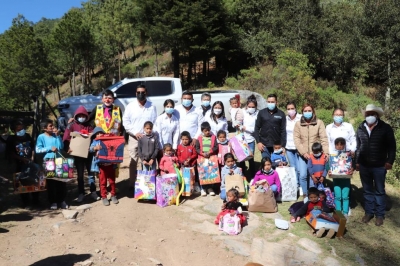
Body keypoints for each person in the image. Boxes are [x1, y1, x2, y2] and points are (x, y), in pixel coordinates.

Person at [356, 104, 396, 226]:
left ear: (377, 115)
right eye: (368, 114)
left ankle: (379, 215)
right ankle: (369, 212)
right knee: (367, 191)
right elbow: (358, 147)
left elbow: (392, 147)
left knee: (379, 190)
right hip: (364, 165)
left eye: (372, 114)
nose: (370, 116)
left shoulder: (385, 128)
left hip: (379, 165)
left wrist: (390, 161)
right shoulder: (360, 127)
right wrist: (356, 162)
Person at [123, 85, 157, 189]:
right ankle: (133, 184)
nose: (140, 94)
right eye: (138, 92)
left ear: (146, 93)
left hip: (148, 139)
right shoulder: (130, 106)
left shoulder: (152, 106)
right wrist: (135, 133)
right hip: (134, 138)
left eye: (142, 92)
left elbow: (155, 122)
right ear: (135, 93)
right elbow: (126, 122)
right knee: (133, 161)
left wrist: (151, 135)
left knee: (148, 160)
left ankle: (148, 185)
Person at [63, 105, 98, 202]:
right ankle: (81, 193)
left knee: (91, 173)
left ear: (86, 116)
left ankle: (93, 192)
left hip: (89, 153)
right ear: (76, 116)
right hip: (77, 154)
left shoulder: (89, 126)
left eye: (83, 115)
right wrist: (68, 148)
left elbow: (94, 137)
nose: (81, 117)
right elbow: (66, 138)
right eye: (79, 115)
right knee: (80, 175)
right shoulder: (71, 125)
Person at [294, 103, 329, 198]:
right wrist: (304, 152)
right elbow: (296, 139)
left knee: (317, 174)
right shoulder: (298, 124)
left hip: (317, 155)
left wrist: (325, 152)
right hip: (303, 155)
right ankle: (306, 195)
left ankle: (317, 195)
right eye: (305, 111)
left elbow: (324, 138)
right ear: (302, 112)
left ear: (313, 111)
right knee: (303, 175)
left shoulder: (319, 122)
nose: (307, 112)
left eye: (309, 110)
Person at [35, 119, 67, 210]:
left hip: (59, 160)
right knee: (51, 181)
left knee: (61, 181)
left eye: (53, 126)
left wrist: (58, 137)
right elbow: (38, 150)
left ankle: (62, 200)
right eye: (50, 126)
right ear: (44, 128)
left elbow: (61, 147)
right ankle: (53, 201)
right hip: (48, 160)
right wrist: (49, 148)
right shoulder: (41, 137)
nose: (53, 127)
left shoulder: (55, 136)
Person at [6, 120, 38, 208]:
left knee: (34, 180)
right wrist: (21, 159)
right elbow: (10, 153)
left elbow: (32, 148)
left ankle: (36, 201)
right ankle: (26, 202)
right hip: (19, 164)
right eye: (18, 129)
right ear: (14, 130)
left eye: (22, 128)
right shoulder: (11, 139)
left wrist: (32, 157)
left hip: (30, 162)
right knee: (22, 182)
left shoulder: (27, 136)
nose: (21, 131)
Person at [89, 127, 118, 206]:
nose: (99, 135)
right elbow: (90, 149)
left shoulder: (109, 140)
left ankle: (113, 195)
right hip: (101, 166)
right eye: (97, 134)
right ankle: (104, 197)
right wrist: (95, 148)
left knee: (112, 181)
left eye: (100, 133)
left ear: (104, 133)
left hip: (111, 165)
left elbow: (115, 148)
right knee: (103, 182)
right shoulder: (95, 142)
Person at [254, 94, 286, 159]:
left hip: (277, 145)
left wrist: (283, 146)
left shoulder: (281, 114)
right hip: (264, 144)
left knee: (277, 164)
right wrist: (258, 142)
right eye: (269, 102)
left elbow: (283, 131)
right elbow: (256, 128)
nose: (270, 103)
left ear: (276, 102)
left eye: (272, 102)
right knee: (266, 164)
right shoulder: (261, 113)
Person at [328, 137, 353, 219]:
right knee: (337, 196)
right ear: (334, 145)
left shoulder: (348, 155)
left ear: (344, 145)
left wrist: (351, 169)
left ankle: (345, 212)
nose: (339, 146)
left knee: (345, 197)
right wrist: (328, 170)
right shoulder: (332, 156)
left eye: (341, 144)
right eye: (337, 144)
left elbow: (352, 165)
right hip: (336, 179)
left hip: (346, 179)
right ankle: (338, 212)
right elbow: (327, 166)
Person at [195, 122, 219, 196]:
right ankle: (203, 188)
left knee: (210, 173)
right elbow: (197, 148)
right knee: (203, 173)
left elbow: (216, 147)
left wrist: (210, 152)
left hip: (211, 157)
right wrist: (202, 153)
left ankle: (210, 188)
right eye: (205, 131)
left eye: (208, 130)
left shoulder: (213, 137)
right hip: (202, 158)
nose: (207, 132)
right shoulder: (199, 138)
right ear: (202, 131)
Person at [239, 95, 258, 179]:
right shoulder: (243, 112)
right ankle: (243, 176)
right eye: (249, 106)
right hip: (242, 139)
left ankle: (252, 177)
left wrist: (246, 128)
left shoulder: (258, 114)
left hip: (250, 140)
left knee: (250, 160)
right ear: (246, 106)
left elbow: (256, 128)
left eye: (253, 107)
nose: (251, 108)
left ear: (256, 107)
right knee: (242, 160)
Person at [285, 101, 302, 189]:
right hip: (288, 147)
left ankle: (302, 184)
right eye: (288, 109)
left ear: (295, 109)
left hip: (299, 147)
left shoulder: (301, 118)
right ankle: (296, 185)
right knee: (293, 168)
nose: (290, 110)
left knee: (300, 169)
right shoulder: (285, 119)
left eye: (292, 108)